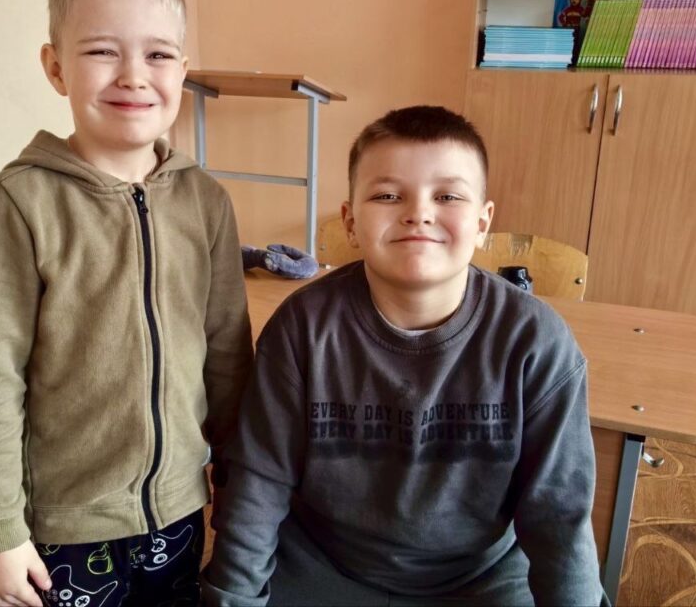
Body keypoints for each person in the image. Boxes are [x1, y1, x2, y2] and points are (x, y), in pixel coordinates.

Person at [202, 106, 605, 606]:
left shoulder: (537, 341)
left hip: (480, 574)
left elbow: (558, 514)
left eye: (447, 196)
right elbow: (259, 481)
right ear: (350, 221)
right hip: (323, 564)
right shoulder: (302, 327)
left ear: (482, 222)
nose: (419, 213)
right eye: (388, 195)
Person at [0, 0, 252, 607]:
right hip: (65, 525)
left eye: (158, 54)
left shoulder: (207, 201)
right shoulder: (19, 201)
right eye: (102, 51)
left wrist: (237, 478)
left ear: (182, 71)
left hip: (179, 509)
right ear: (56, 67)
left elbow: (228, 354)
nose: (133, 76)